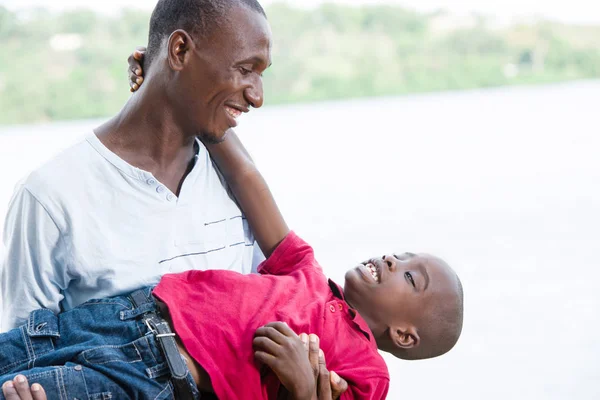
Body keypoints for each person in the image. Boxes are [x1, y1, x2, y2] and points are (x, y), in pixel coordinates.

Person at [2, 0, 347, 397]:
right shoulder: (50, 196)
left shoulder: (236, 184)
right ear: (180, 51)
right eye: (245, 69)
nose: (257, 96)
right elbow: (26, 361)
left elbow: (256, 347)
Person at [0, 129, 464, 399]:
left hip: (154, 378)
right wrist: (208, 116)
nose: (390, 257)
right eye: (400, 252)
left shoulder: (368, 373)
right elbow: (248, 178)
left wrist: (302, 388)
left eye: (410, 275)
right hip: (124, 315)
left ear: (405, 334)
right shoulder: (306, 272)